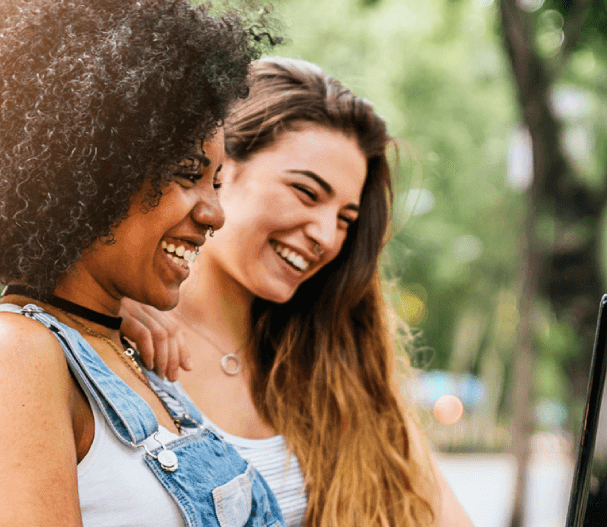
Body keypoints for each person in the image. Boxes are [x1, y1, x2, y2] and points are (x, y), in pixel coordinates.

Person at [121, 57, 474, 527]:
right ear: (220, 167)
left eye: (345, 219)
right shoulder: (113, 339)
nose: (326, 236)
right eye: (307, 193)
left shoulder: (338, 369)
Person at [0, 0, 284, 526]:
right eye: (187, 173)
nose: (214, 213)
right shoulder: (14, 353)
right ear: (91, 169)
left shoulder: (133, 354)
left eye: (216, 182)